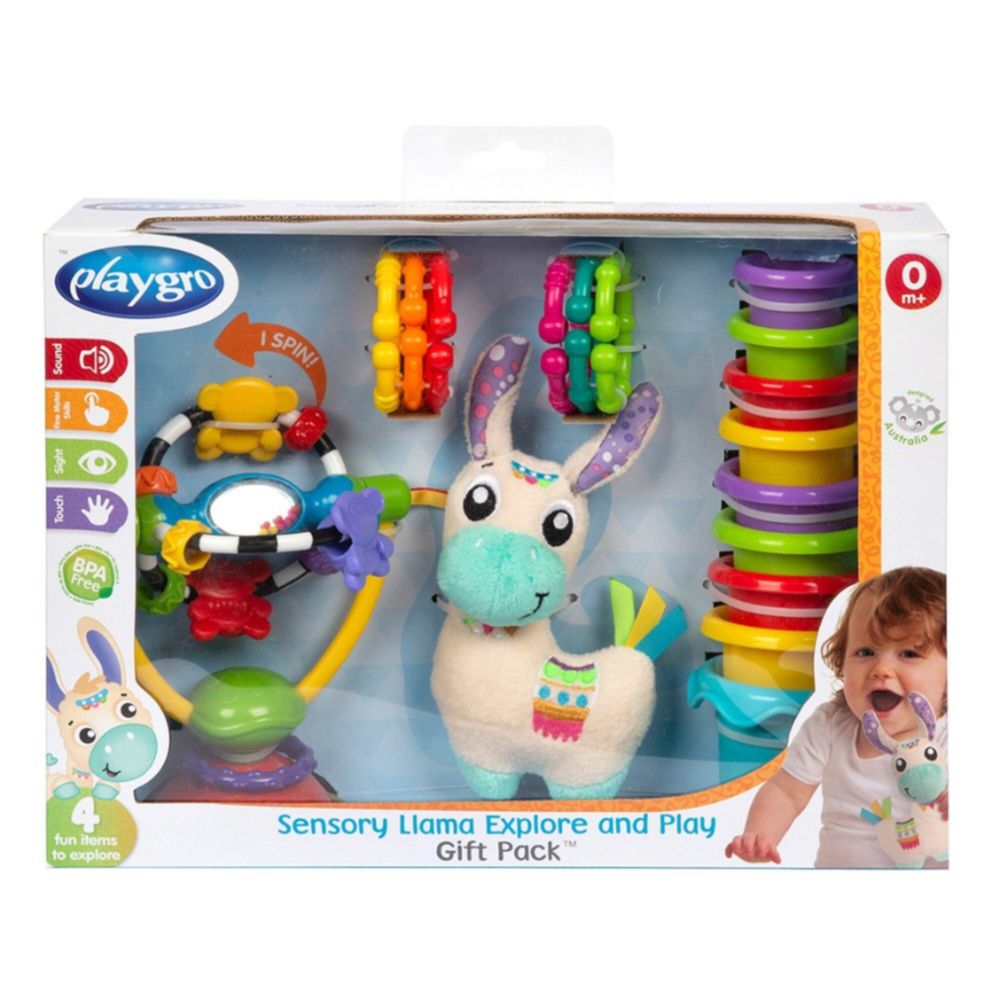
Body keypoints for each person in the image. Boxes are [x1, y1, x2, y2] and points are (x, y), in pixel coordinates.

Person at [725, 566, 947, 868]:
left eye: (908, 654)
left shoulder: (950, 734)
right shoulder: (830, 725)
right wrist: (760, 835)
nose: (881, 669)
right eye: (865, 652)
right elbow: (786, 792)